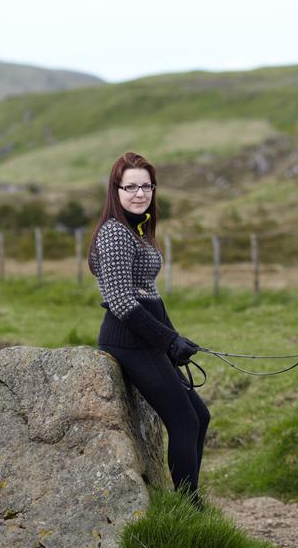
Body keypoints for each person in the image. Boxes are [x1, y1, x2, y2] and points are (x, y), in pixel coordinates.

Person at [88, 152, 210, 506]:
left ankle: (189, 500)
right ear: (116, 190)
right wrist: (169, 341)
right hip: (127, 343)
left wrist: (176, 340)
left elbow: (150, 295)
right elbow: (123, 302)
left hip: (148, 340)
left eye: (146, 186)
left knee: (200, 415)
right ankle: (188, 506)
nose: (140, 194)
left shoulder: (136, 229)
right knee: (184, 420)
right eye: (131, 187)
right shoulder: (114, 234)